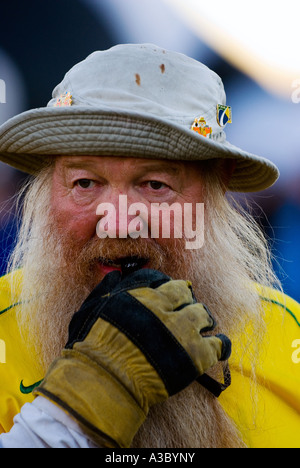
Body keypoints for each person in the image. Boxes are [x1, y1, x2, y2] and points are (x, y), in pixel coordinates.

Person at [0, 43, 299, 449]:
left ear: (218, 186)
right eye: (85, 183)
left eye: (155, 185)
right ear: (47, 189)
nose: (118, 223)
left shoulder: (290, 338)